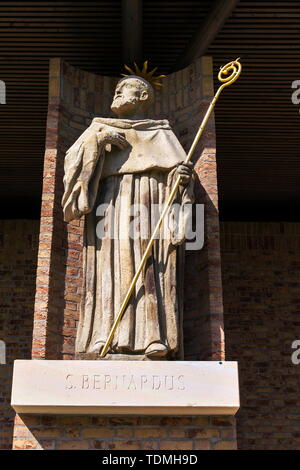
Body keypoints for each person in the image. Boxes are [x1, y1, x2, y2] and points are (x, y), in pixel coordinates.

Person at [62, 74, 194, 359]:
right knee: (108, 270)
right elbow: (71, 165)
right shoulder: (98, 127)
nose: (117, 92)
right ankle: (103, 336)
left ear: (144, 97)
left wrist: (181, 178)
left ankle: (153, 336)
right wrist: (98, 143)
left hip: (149, 207)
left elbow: (177, 180)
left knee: (150, 267)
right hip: (109, 207)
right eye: (116, 88)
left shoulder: (161, 132)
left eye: (125, 88)